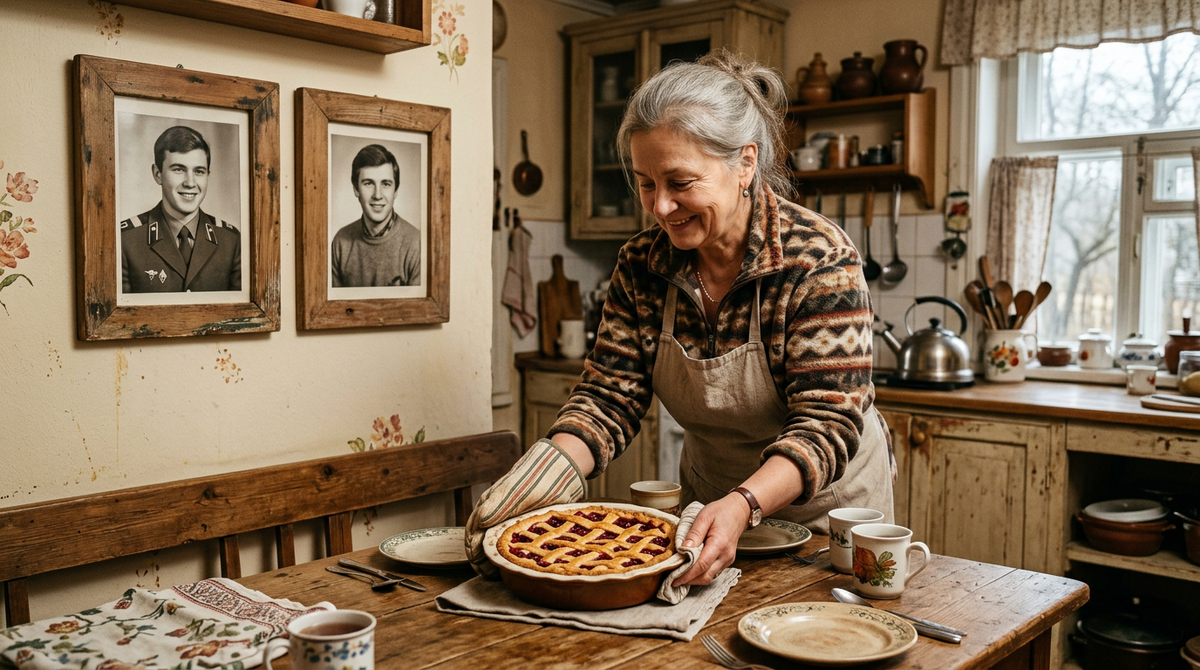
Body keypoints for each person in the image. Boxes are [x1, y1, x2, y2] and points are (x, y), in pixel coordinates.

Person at [467, 50, 894, 587]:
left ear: (745, 163)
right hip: (710, 506)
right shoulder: (642, 265)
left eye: (681, 182)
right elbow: (609, 398)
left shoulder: (817, 259)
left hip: (826, 515)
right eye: (646, 183)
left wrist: (744, 503)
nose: (661, 207)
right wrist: (551, 466)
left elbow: (827, 425)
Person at [121, 125, 241, 293]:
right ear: (158, 174)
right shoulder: (125, 241)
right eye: (179, 169)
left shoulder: (231, 240)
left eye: (199, 171)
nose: (190, 183)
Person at [330, 144, 421, 287]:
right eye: (368, 183)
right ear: (356, 189)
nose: (377, 195)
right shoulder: (340, 243)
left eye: (386, 184)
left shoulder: (417, 245)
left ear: (395, 191)